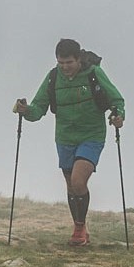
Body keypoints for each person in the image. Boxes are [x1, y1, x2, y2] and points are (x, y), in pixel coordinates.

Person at [15, 38, 125, 246]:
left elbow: (116, 100)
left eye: (69, 62)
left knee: (78, 181)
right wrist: (26, 110)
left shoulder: (93, 74)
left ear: (79, 59)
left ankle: (79, 228)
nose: (65, 67)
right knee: (71, 186)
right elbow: (39, 108)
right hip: (65, 137)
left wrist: (118, 116)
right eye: (61, 62)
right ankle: (80, 227)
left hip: (91, 135)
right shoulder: (53, 77)